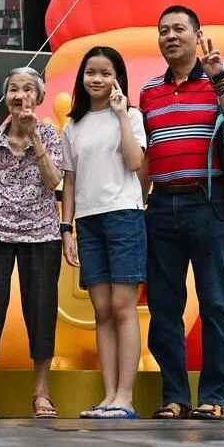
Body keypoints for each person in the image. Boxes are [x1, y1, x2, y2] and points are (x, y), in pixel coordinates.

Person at [140, 5, 224, 421]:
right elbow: (148, 153)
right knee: (164, 307)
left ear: (197, 34)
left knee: (216, 303)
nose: (170, 36)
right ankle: (174, 396)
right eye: (163, 30)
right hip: (162, 206)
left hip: (210, 202)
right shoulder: (149, 90)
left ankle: (215, 397)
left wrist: (219, 77)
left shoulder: (221, 77)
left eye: (178, 29)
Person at [0, 67, 63, 420]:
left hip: (42, 232)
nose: (21, 97)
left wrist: (34, 138)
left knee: (41, 310)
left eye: (28, 90)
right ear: (6, 97)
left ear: (39, 97)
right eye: (14, 90)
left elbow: (53, 182)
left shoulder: (51, 135)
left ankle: (41, 393)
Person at [60, 47, 147, 419]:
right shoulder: (72, 125)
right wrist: (67, 228)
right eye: (90, 72)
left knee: (124, 308)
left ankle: (125, 398)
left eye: (105, 73)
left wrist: (121, 116)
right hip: (88, 222)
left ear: (118, 79)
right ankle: (108, 395)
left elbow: (134, 161)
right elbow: (69, 181)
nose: (96, 79)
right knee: (101, 310)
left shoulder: (132, 115)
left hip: (124, 215)